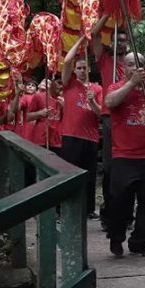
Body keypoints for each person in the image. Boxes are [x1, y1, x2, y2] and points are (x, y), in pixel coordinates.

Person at [104, 52, 145, 258]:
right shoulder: (115, 88)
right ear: (124, 68)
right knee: (118, 202)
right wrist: (131, 84)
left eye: (140, 64)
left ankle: (139, 243)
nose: (136, 68)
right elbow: (110, 103)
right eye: (131, 64)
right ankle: (116, 236)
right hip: (123, 155)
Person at [91, 15, 131, 229]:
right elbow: (94, 34)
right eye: (118, 40)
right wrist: (109, 12)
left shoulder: (132, 63)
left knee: (130, 164)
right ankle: (109, 215)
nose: (122, 44)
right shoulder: (105, 59)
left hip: (129, 118)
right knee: (110, 166)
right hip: (109, 117)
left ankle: (127, 216)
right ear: (112, 42)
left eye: (124, 40)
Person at [60, 37, 103, 219]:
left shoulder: (97, 89)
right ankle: (64, 209)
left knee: (89, 175)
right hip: (71, 134)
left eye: (85, 68)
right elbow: (67, 60)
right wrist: (81, 41)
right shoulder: (69, 83)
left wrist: (92, 101)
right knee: (69, 173)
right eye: (79, 68)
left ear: (89, 69)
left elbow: (100, 114)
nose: (82, 70)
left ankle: (88, 209)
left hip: (91, 137)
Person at [26, 78, 64, 154]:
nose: (60, 88)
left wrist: (64, 107)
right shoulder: (39, 96)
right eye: (57, 86)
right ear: (51, 86)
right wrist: (39, 113)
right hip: (40, 140)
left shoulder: (64, 100)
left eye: (61, 87)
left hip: (57, 142)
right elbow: (27, 117)